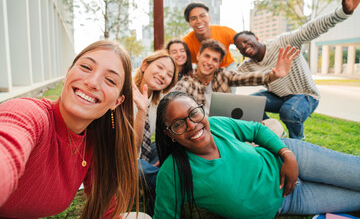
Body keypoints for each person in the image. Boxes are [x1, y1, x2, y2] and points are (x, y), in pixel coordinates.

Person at [153, 91, 360, 219]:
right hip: (288, 201)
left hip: (293, 158)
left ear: (201, 110)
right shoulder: (172, 173)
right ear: (169, 133)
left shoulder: (217, 125)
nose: (192, 125)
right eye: (179, 124)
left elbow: (256, 129)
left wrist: (286, 154)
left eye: (194, 113)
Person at [0, 40, 140, 218]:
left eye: (110, 80)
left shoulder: (95, 144)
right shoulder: (29, 113)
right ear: (68, 73)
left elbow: (107, 210)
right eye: (86, 67)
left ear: (117, 102)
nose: (92, 82)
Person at [233, 0, 360, 139]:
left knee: (289, 111)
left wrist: (343, 12)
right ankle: (274, 132)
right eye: (239, 47)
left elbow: (312, 28)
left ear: (256, 37)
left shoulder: (284, 42)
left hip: (305, 95)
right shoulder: (247, 66)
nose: (243, 47)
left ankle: (298, 142)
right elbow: (227, 77)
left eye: (245, 41)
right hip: (278, 97)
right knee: (248, 104)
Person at [171, 38, 299, 119]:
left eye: (215, 60)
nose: (209, 62)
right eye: (206, 56)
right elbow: (173, 99)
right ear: (198, 56)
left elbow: (247, 78)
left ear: (219, 64)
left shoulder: (223, 75)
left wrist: (273, 75)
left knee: (273, 127)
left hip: (226, 126)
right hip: (201, 131)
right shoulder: (188, 81)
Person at [132, 50, 177, 194]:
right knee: (141, 169)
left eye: (169, 75)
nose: (163, 75)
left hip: (143, 154)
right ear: (144, 65)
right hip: (121, 158)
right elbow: (132, 147)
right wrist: (141, 111)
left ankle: (155, 174)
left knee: (174, 146)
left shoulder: (157, 102)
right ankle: (171, 187)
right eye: (159, 67)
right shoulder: (125, 94)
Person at [183, 2, 237, 70]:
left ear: (209, 18)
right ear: (189, 23)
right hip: (205, 68)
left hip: (226, 66)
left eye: (202, 16)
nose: (199, 21)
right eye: (193, 18)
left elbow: (244, 41)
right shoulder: (186, 42)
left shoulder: (224, 32)